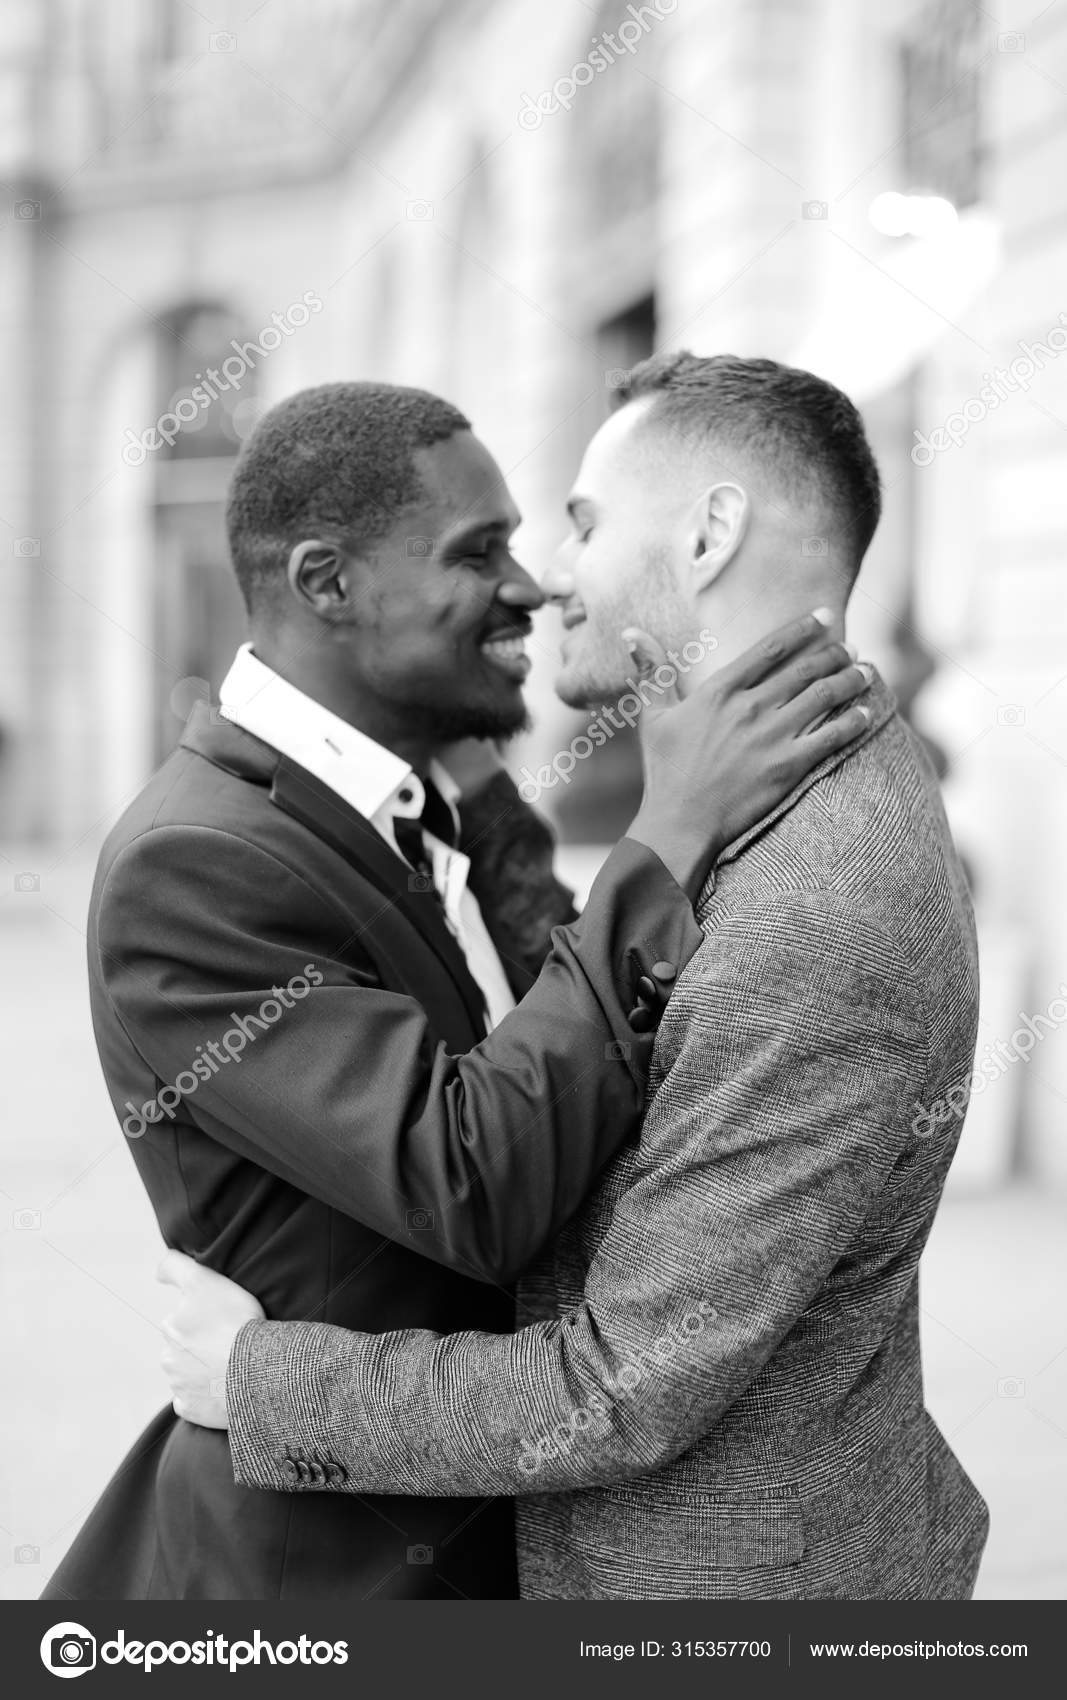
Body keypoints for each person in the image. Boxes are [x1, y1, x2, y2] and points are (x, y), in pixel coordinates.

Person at [160, 355, 989, 1602]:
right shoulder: (776, 800)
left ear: (707, 536)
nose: (549, 575)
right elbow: (575, 996)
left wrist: (257, 1380)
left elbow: (620, 1383)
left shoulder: (818, 899)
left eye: (584, 524)